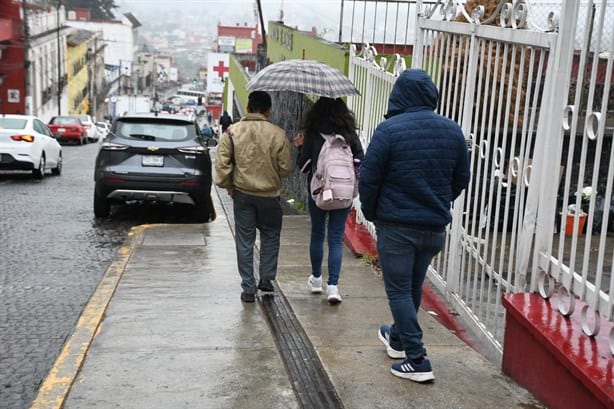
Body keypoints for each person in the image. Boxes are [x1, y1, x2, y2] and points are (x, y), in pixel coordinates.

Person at [358, 69, 470, 382]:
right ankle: (397, 337)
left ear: (399, 94)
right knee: (411, 288)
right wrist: (440, 200)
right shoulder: (452, 130)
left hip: (397, 226)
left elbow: (369, 179)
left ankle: (418, 359)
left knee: (398, 292)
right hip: (433, 228)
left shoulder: (389, 130)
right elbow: (462, 177)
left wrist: (372, 211)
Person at [215, 91, 292, 303]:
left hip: (243, 195)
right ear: (269, 110)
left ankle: (248, 288)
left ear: (248, 108)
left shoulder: (231, 132)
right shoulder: (278, 134)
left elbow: (221, 168)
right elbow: (285, 169)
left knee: (245, 240)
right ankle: (266, 280)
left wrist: (230, 186)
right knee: (270, 236)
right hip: (270, 196)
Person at [295, 97, 364, 304]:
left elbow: (304, 166)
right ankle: (333, 286)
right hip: (343, 192)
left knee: (318, 233)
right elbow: (360, 160)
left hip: (319, 191)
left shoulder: (314, 133)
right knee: (335, 238)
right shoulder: (349, 134)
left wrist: (301, 147)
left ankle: (317, 280)